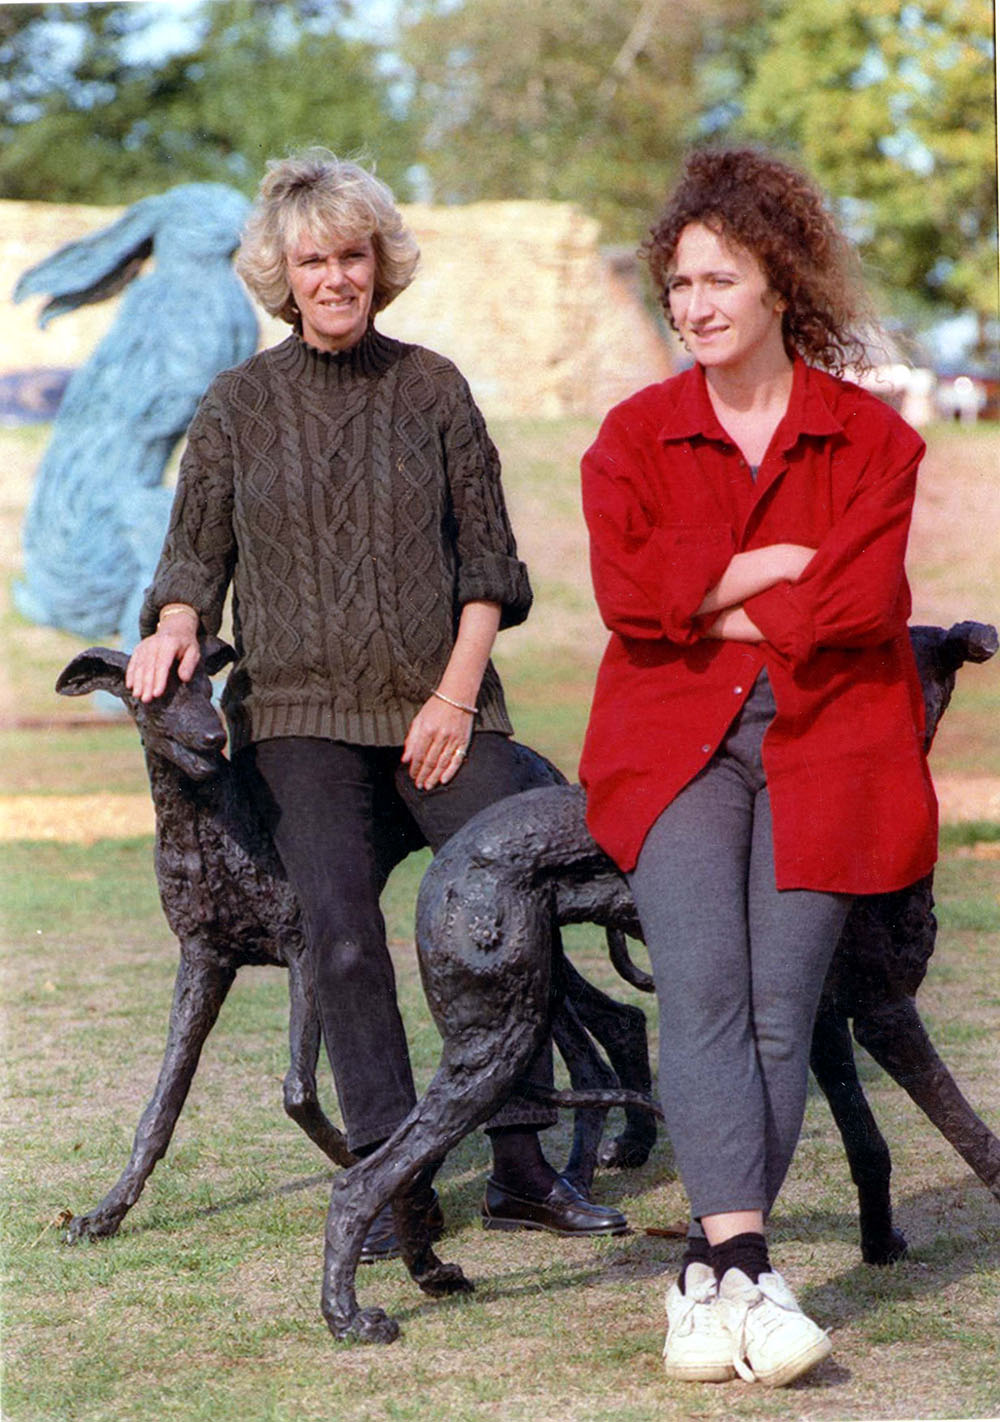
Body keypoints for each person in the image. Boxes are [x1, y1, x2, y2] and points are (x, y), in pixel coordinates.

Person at [126, 148, 626, 1256]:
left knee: (513, 897)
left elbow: (492, 573)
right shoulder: (236, 404)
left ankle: (521, 1164)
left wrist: (453, 700)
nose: (336, 277)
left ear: (379, 264)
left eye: (353, 254)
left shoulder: (435, 388)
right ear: (283, 273)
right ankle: (396, 1178)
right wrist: (172, 630)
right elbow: (188, 570)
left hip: (439, 712)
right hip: (298, 719)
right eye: (313, 259)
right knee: (343, 940)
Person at [579, 147, 937, 1388]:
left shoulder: (873, 441)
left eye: (719, 280)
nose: (694, 306)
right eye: (679, 284)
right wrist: (770, 567)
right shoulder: (631, 437)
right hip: (671, 743)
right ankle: (743, 1272)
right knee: (703, 990)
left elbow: (860, 603)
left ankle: (707, 1280)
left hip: (827, 739)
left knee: (781, 1009)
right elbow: (628, 598)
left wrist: (703, 602)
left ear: (779, 285)